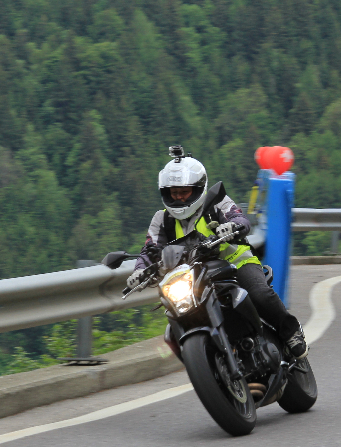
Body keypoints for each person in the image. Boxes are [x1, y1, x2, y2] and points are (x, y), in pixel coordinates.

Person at [127, 147, 308, 359]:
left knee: (259, 294)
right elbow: (150, 249)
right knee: (173, 327)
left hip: (235, 263)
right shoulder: (162, 219)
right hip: (193, 277)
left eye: (184, 192)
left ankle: (291, 332)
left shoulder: (217, 202)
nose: (179, 198)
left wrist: (232, 226)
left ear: (198, 188)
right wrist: (139, 271)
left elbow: (239, 218)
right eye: (173, 193)